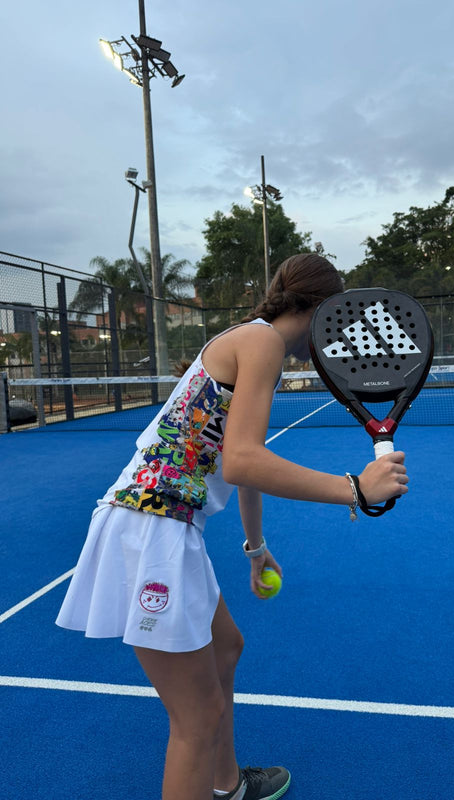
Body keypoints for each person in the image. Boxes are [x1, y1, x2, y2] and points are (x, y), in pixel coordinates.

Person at [56, 253, 409, 800]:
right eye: (337, 320)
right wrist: (355, 489)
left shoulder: (253, 340)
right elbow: (243, 461)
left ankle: (227, 785)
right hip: (152, 526)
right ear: (319, 310)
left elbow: (241, 458)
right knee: (196, 720)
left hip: (165, 524)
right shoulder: (263, 343)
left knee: (226, 649)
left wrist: (255, 546)